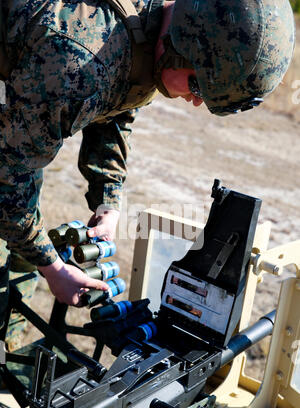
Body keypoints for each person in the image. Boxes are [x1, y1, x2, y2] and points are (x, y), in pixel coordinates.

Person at [0, 0, 295, 350]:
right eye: (198, 87)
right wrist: (54, 269)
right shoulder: (79, 60)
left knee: (25, 242)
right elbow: (7, 182)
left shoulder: (155, 31)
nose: (196, 102)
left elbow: (116, 108)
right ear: (182, 45)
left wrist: (108, 198)